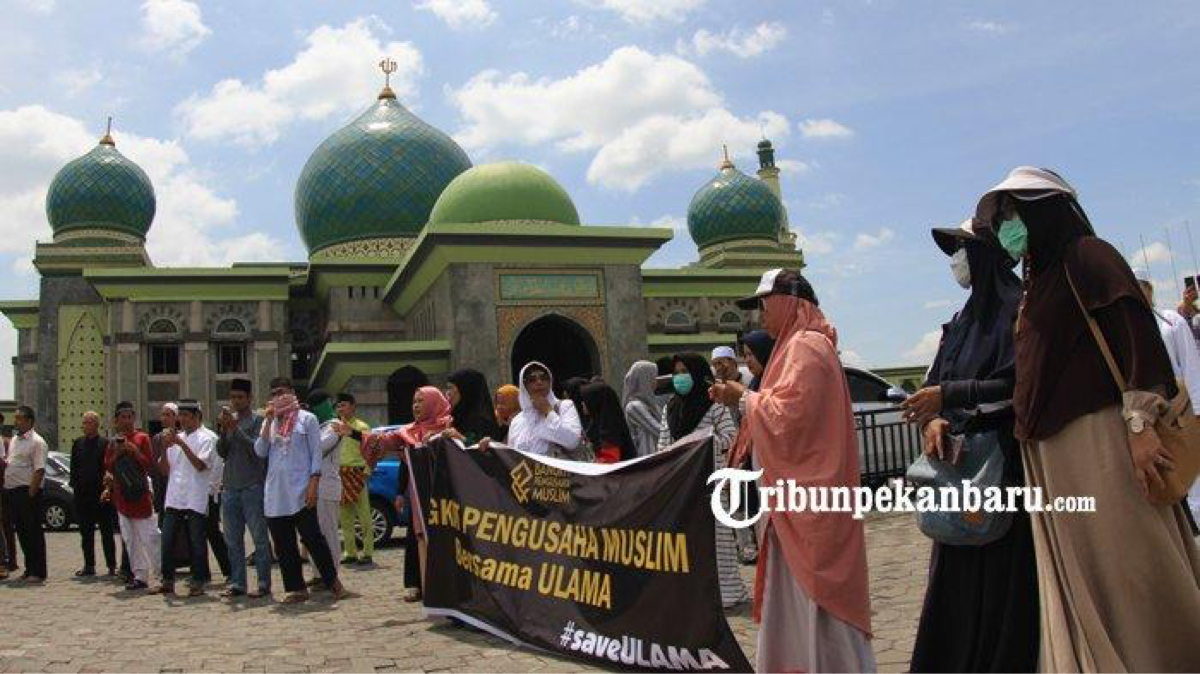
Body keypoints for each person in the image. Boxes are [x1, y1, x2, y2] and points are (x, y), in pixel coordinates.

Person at [974, 166, 1200, 671]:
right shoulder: (1040, 279)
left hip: (1101, 442)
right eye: (1004, 214)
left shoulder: (1088, 257)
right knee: (1086, 572)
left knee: (1129, 565)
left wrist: (1139, 427)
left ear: (1044, 210)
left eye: (1015, 211)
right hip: (1053, 452)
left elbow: (1137, 343)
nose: (1010, 224)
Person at [712, 268, 874, 673]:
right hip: (791, 507)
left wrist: (744, 397)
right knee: (794, 602)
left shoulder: (807, 347)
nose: (761, 317)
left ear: (787, 301)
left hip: (809, 505)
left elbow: (790, 416)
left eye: (764, 305)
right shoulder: (795, 348)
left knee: (818, 597)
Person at [902, 220, 1038, 673]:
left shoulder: (1020, 310)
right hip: (957, 471)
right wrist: (937, 417)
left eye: (962, 249)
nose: (956, 260)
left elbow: (1016, 385)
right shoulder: (962, 320)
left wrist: (950, 398)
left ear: (983, 253)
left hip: (1001, 467)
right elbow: (938, 381)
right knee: (955, 572)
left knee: (1002, 575)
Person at [658, 352, 747, 609]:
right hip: (682, 484)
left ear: (697, 373)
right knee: (686, 540)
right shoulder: (670, 408)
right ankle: (692, 593)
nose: (679, 377)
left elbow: (731, 438)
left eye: (684, 371)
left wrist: (700, 443)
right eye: (675, 373)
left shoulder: (714, 405)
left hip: (710, 482)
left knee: (718, 540)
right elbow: (663, 444)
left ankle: (727, 593)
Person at [255, 377, 344, 603]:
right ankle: (297, 588)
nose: (277, 397)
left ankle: (332, 580)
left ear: (292, 392)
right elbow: (260, 451)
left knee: (312, 537)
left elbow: (316, 452)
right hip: (276, 491)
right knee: (284, 543)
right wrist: (267, 422)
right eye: (273, 393)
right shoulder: (272, 421)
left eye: (282, 391)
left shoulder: (308, 419)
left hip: (301, 488)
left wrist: (313, 482)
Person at [365, 386, 453, 602]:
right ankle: (426, 589)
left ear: (433, 403)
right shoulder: (409, 433)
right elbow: (386, 444)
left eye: (421, 401)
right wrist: (354, 434)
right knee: (419, 540)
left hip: (446, 500)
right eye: (414, 401)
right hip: (419, 497)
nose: (416, 405)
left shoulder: (448, 428)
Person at [1135, 270, 1200, 532]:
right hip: (1153, 416)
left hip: (1181, 408)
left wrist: (1197, 410)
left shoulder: (1170, 321)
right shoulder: (1131, 328)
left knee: (1192, 465)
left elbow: (1191, 368)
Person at [151, 399, 216, 598]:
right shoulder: (175, 438)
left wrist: (182, 444)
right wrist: (164, 446)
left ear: (196, 417)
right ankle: (168, 580)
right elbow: (164, 470)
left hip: (195, 496)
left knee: (196, 541)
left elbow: (200, 465)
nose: (183, 420)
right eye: (182, 416)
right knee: (168, 539)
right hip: (174, 497)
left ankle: (198, 580)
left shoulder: (206, 438)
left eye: (187, 416)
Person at [216, 377, 271, 599]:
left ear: (249, 398)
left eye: (240, 397)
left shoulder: (258, 421)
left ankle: (264, 582)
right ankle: (238, 582)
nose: (236, 401)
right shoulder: (230, 421)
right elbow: (222, 452)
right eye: (233, 397)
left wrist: (235, 429)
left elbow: (257, 449)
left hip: (252, 486)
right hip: (230, 487)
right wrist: (224, 430)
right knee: (232, 540)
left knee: (259, 538)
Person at [727, 329, 776, 566]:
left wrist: (744, 396)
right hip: (753, 461)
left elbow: (771, 415)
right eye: (744, 355)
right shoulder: (757, 382)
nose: (747, 360)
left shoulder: (772, 383)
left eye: (751, 354)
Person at [104, 401, 158, 591]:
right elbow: (109, 466)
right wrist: (118, 453)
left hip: (140, 494)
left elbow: (149, 465)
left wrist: (134, 451)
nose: (127, 421)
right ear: (116, 421)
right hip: (122, 496)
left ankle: (161, 574)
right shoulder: (112, 442)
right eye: (123, 418)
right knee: (130, 539)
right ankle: (139, 575)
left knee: (149, 537)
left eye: (130, 417)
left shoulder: (142, 438)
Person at [2, 406, 47, 583]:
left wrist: (31, 493)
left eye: (19, 418)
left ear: (29, 421)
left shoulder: (37, 442)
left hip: (28, 491)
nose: (16, 421)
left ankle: (38, 570)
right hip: (12, 491)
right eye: (16, 418)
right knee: (21, 531)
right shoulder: (14, 440)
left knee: (33, 531)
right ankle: (29, 568)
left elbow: (39, 469)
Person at [70, 411, 117, 577]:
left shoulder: (105, 444)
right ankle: (89, 565)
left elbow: (109, 468)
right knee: (86, 534)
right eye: (84, 422)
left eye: (89, 422)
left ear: (97, 425)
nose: (85, 426)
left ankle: (112, 565)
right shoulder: (78, 444)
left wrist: (108, 489)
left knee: (106, 532)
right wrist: (75, 488)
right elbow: (74, 469)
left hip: (101, 495)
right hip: (83, 495)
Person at [506, 362, 583, 457]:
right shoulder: (517, 421)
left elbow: (572, 441)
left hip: (561, 471)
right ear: (524, 386)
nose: (539, 382)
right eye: (532, 379)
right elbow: (511, 458)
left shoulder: (564, 407)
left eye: (544, 378)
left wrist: (548, 411)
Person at [307, 390, 343, 584]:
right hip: (314, 487)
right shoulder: (317, 427)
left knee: (329, 532)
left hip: (328, 486)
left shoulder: (334, 426)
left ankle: (332, 574)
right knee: (315, 533)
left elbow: (318, 448)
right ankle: (318, 574)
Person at [334, 392, 374, 566]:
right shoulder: (334, 427)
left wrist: (367, 471)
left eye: (343, 405)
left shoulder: (362, 427)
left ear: (353, 406)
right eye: (338, 406)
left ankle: (367, 553)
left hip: (358, 474)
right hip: (340, 474)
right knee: (345, 518)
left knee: (364, 516)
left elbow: (372, 450)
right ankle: (350, 552)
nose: (340, 408)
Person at [580, 382, 635, 463]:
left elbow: (609, 462)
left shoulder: (609, 431)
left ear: (595, 402)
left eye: (585, 400)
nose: (582, 403)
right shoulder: (596, 423)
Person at [446, 369, 500, 445]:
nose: (447, 393)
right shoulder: (456, 416)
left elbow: (488, 452)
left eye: (450, 387)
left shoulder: (482, 421)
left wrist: (461, 438)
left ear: (465, 389)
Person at [622, 361, 662, 458]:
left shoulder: (651, 403)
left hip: (658, 457)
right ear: (644, 379)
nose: (656, 382)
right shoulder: (634, 406)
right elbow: (658, 430)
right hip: (647, 461)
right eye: (653, 377)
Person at [150, 403, 178, 517]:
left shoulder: (181, 436)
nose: (164, 418)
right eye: (162, 415)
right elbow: (155, 465)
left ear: (175, 417)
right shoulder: (157, 438)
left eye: (167, 415)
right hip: (161, 485)